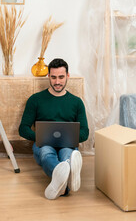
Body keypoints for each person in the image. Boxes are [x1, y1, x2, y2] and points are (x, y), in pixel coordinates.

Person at [19, 58, 89, 200]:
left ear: (68, 76)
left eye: (61, 77)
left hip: (67, 144)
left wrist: (69, 137)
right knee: (46, 152)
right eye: (54, 77)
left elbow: (85, 132)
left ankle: (62, 185)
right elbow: (23, 128)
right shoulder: (35, 99)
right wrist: (41, 136)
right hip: (44, 143)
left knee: (67, 156)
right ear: (48, 76)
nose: (57, 82)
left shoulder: (76, 102)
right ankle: (68, 179)